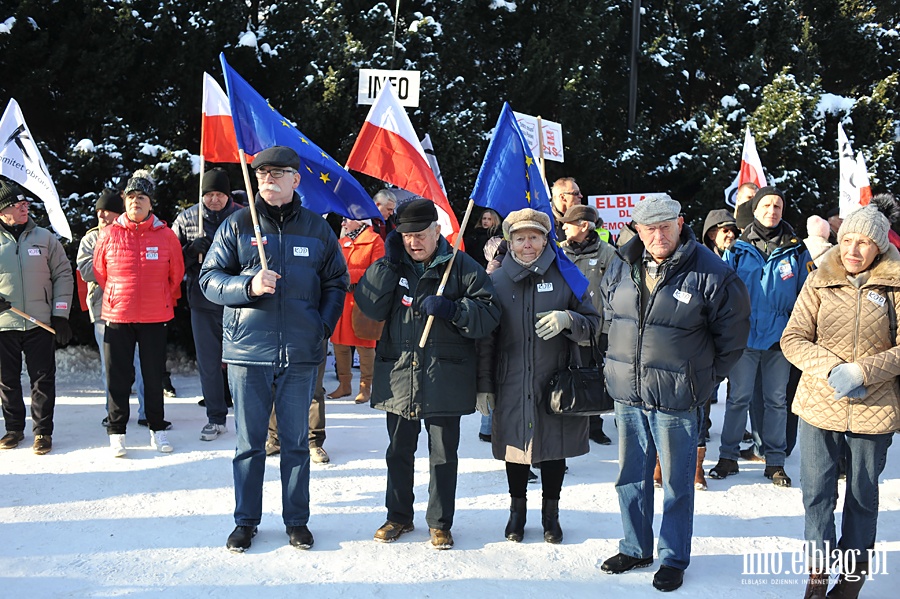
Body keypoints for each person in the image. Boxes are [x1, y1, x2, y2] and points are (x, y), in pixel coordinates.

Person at [598, 194, 750, 592]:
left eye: (666, 224)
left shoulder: (711, 272)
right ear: (637, 230)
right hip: (628, 393)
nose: (658, 234)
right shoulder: (622, 263)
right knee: (630, 477)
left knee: (678, 483)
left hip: (677, 398)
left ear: (681, 223)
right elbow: (610, 317)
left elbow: (732, 338)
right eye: (649, 227)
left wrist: (700, 379)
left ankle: (672, 557)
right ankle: (635, 547)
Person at [200, 146, 348, 552]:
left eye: (278, 172)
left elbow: (337, 281)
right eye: (262, 172)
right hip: (248, 353)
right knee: (249, 445)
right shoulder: (236, 224)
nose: (268, 178)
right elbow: (208, 280)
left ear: (296, 179)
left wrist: (322, 326)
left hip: (301, 353)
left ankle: (296, 520)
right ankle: (245, 521)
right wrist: (247, 286)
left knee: (297, 444)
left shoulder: (317, 229)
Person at [354, 199, 500, 550]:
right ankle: (398, 516)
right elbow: (369, 305)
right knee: (397, 451)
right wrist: (387, 264)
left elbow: (489, 313)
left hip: (444, 376)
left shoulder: (461, 266)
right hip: (399, 374)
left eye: (420, 234)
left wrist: (455, 309)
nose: (413, 242)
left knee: (443, 454)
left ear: (438, 231)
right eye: (405, 236)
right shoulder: (393, 266)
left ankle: (440, 522)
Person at [781, 205, 900, 599]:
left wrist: (863, 372)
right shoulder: (818, 279)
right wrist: (835, 370)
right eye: (847, 239)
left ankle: (851, 578)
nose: (853, 249)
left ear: (879, 247)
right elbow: (793, 338)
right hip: (819, 402)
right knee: (816, 492)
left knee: (863, 495)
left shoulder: (897, 285)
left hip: (874, 407)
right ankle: (817, 574)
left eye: (864, 242)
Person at [476, 207, 600, 544]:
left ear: (546, 239)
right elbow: (486, 340)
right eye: (520, 238)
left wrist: (568, 320)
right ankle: (517, 512)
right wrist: (484, 386)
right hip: (511, 381)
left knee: (553, 449)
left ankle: (551, 515)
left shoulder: (567, 275)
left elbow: (594, 324)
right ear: (510, 242)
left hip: (555, 381)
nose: (527, 244)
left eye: (534, 236)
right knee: (516, 449)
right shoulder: (496, 281)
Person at [709, 186, 812, 487]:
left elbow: (808, 293)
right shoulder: (737, 249)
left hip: (780, 339)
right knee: (738, 398)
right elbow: (721, 292)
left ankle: (775, 461)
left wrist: (800, 330)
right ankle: (728, 456)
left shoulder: (796, 249)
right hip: (746, 336)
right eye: (766, 205)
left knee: (776, 401)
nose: (772, 211)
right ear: (754, 209)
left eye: (777, 206)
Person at [93, 171, 184, 457]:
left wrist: (157, 298)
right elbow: (100, 273)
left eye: (141, 198)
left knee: (153, 375)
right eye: (131, 197)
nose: (136, 202)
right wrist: (121, 296)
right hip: (118, 316)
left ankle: (157, 429)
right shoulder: (108, 234)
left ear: (150, 203)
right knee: (118, 377)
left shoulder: (166, 235)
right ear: (125, 201)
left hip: (155, 317)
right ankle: (117, 432)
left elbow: (176, 275)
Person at [0, 178, 73, 455]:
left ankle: (42, 432)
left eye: (25, 203)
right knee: (6, 379)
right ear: (2, 211)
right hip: (4, 323)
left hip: (39, 321)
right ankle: (13, 429)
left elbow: (63, 275)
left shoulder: (45, 237)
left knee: (42, 378)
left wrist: (61, 315)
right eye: (17, 204)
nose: (24, 207)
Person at [172, 169, 241, 441]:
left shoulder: (243, 217)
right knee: (209, 361)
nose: (214, 200)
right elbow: (171, 259)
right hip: (202, 299)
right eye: (209, 194)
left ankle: (250, 414)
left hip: (236, 298)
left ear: (227, 195)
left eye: (219, 194)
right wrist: (189, 251)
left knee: (241, 358)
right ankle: (216, 416)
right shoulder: (188, 218)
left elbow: (257, 252)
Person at [76, 189, 150, 428]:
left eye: (106, 211)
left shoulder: (134, 233)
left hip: (137, 306)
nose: (101, 215)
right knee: (110, 365)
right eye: (98, 211)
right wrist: (114, 260)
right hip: (102, 307)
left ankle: (147, 411)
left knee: (143, 362)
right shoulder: (90, 238)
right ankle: (113, 413)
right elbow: (86, 271)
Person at [558, 204, 618, 446]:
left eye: (568, 223)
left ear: (584, 226)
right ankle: (568, 425)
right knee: (565, 377)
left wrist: (606, 331)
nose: (562, 226)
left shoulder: (608, 253)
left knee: (593, 377)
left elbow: (614, 294)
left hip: (593, 330)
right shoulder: (558, 250)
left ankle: (594, 426)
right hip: (563, 327)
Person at [328, 216, 384, 403]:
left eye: (346, 219)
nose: (343, 223)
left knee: (365, 344)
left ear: (361, 221)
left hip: (363, 300)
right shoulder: (340, 241)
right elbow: (331, 268)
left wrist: (347, 276)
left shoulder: (375, 240)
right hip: (341, 300)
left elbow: (378, 270)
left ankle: (365, 387)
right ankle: (344, 385)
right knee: (339, 344)